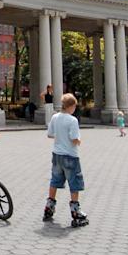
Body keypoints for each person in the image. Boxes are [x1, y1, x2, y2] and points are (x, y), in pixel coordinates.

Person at [43, 93, 88, 227]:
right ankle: (76, 212)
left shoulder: (55, 117)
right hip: (70, 155)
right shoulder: (72, 120)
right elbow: (74, 139)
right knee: (74, 182)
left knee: (55, 180)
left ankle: (49, 207)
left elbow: (50, 134)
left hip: (57, 154)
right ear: (72, 106)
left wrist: (60, 136)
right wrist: (79, 141)